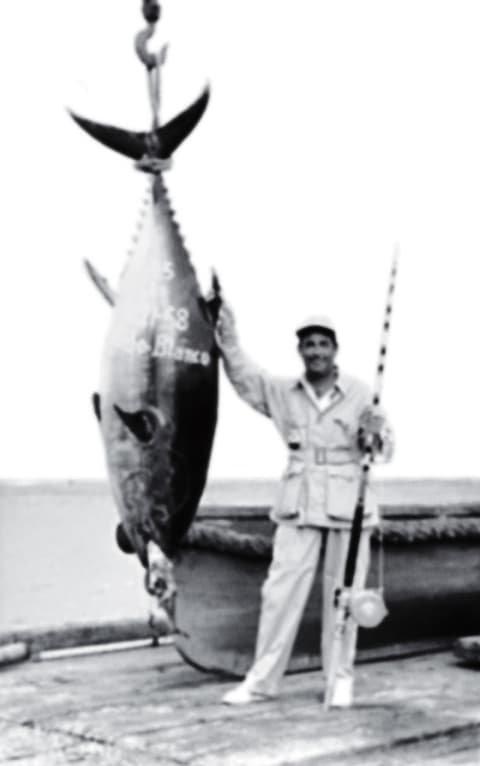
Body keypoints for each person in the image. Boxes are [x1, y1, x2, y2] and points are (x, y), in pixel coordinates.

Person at [215, 305, 394, 708]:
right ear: (300, 350)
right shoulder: (282, 391)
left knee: (346, 595)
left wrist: (374, 435)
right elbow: (245, 378)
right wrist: (227, 333)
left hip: (349, 508)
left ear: (335, 349)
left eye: (323, 344)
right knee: (278, 593)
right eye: (308, 344)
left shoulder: (362, 392)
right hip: (297, 505)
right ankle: (260, 681)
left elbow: (385, 449)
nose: (316, 351)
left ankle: (340, 678)